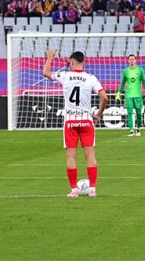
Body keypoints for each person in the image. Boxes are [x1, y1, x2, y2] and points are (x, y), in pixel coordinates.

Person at [43, 49, 108, 197]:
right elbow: (104, 97)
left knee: (71, 156)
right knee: (90, 155)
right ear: (83, 62)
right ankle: (92, 189)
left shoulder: (64, 76)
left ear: (71, 62)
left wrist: (49, 58)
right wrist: (98, 115)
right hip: (86, 120)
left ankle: (73, 190)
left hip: (70, 121)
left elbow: (46, 74)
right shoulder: (91, 78)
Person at [115, 54, 145, 136]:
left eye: (133, 59)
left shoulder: (140, 70)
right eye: (130, 59)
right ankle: (131, 130)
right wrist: (118, 93)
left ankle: (138, 129)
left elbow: (144, 81)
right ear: (128, 60)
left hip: (138, 95)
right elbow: (122, 83)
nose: (131, 60)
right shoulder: (125, 71)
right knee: (129, 112)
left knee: (138, 113)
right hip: (128, 95)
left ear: (135, 60)